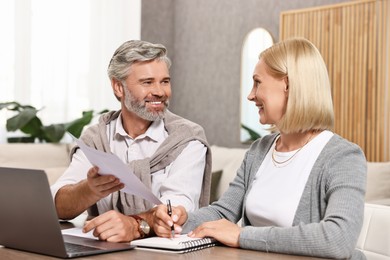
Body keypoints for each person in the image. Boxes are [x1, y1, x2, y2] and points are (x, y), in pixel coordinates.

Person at [154, 38, 367, 259]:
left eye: (257, 82)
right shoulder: (261, 149)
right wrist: (183, 218)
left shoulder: (342, 157)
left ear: (288, 85)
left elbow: (338, 239)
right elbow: (223, 212)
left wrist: (242, 236)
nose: (250, 95)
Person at [50, 40, 212, 243]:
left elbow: (176, 213)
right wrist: (90, 189)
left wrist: (135, 225)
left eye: (165, 81)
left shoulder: (187, 138)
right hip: (101, 251)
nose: (160, 92)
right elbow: (56, 207)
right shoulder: (96, 138)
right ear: (119, 87)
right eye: (147, 82)